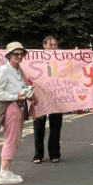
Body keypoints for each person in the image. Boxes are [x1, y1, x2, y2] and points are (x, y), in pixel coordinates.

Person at [0, 42, 34, 184]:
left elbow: (22, 87)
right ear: (9, 55)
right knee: (11, 139)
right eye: (16, 54)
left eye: (21, 54)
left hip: (19, 107)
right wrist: (16, 97)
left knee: (15, 139)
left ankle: (7, 170)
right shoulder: (3, 70)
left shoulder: (18, 70)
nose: (19, 56)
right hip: (11, 107)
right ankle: (3, 172)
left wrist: (29, 94)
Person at [33, 36, 64, 164]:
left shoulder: (62, 59)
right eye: (50, 45)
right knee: (39, 127)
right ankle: (38, 155)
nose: (52, 47)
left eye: (55, 45)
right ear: (44, 45)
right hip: (40, 97)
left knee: (55, 127)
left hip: (56, 97)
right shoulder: (37, 58)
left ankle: (54, 153)